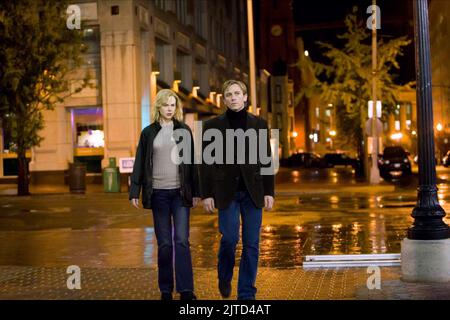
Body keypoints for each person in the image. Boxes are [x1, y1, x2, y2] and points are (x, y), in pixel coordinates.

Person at [200, 80, 275, 300]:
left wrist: (269, 191)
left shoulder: (259, 124)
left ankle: (246, 293)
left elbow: (266, 159)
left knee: (252, 245)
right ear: (224, 99)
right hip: (226, 193)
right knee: (230, 239)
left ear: (245, 97)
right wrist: (206, 194)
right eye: (228, 94)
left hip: (253, 192)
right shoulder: (212, 126)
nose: (233, 97)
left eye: (237, 93)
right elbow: (205, 162)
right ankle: (224, 276)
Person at [129, 89, 200, 300]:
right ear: (158, 106)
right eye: (165, 105)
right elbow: (140, 163)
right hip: (158, 194)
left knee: (181, 240)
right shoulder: (148, 132)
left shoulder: (184, 131)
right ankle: (166, 290)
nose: (169, 108)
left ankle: (186, 290)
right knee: (165, 244)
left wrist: (196, 192)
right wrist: (135, 190)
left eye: (172, 105)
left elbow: (191, 164)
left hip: (179, 194)